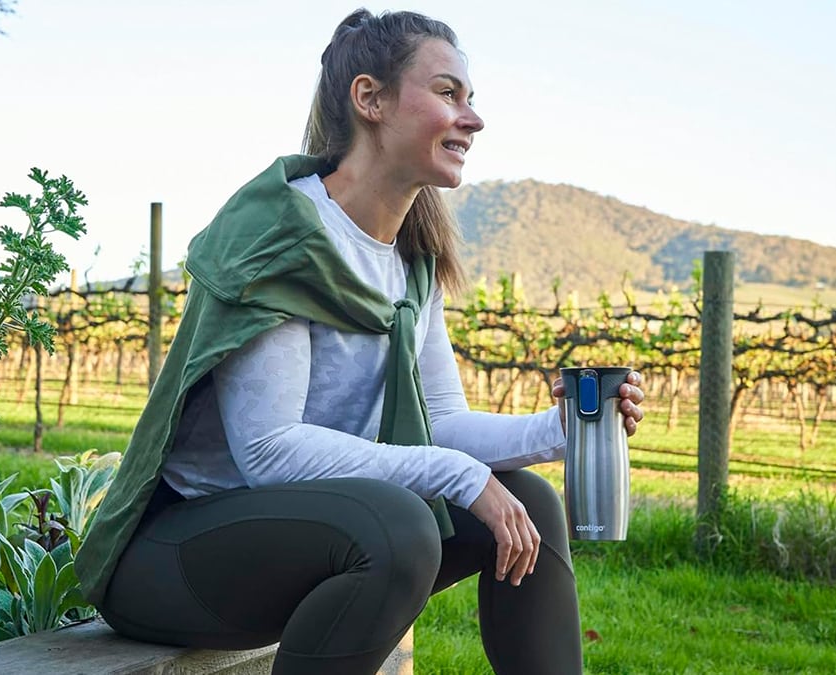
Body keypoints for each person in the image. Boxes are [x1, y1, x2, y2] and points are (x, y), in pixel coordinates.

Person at [74, 8, 645, 675]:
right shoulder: (281, 237)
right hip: (175, 559)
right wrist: (460, 476)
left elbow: (445, 425)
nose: (473, 118)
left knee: (531, 504)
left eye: (471, 98)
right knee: (397, 527)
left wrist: (568, 429)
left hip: (302, 544)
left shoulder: (412, 261)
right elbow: (268, 450)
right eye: (447, 93)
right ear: (370, 99)